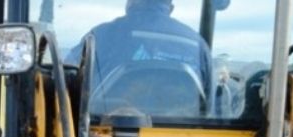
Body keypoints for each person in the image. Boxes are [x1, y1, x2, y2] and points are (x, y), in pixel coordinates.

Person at [65, 0, 213, 113]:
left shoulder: (101, 36)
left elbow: (64, 82)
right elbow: (209, 110)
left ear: (130, 3)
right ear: (170, 7)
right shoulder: (199, 46)